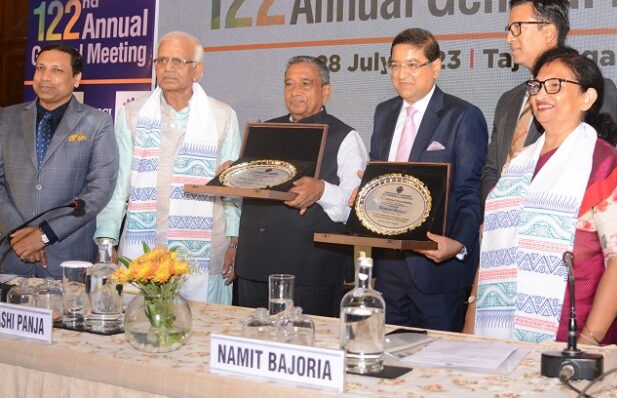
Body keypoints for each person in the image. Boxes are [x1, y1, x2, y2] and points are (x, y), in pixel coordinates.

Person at [466, 47, 617, 351]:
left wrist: (589, 342)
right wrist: (470, 318)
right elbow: (493, 249)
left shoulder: (601, 164)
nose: (541, 93)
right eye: (536, 85)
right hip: (494, 337)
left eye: (555, 85)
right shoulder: (517, 164)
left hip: (569, 339)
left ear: (587, 98)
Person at [95, 31, 241, 304]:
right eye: (161, 61)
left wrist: (234, 242)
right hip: (143, 250)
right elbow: (119, 185)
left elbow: (232, 188)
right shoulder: (132, 115)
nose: (167, 68)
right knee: (142, 330)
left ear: (197, 70)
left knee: (203, 335)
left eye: (177, 61)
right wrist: (107, 240)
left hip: (205, 252)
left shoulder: (222, 116)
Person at [369, 28, 488, 332]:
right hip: (388, 265)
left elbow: (469, 190)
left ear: (436, 68)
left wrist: (458, 243)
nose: (401, 74)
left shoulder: (462, 116)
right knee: (392, 360)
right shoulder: (383, 112)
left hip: (438, 268)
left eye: (412, 64)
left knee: (440, 362)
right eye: (394, 65)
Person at [235, 56, 368, 317]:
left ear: (325, 91)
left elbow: (354, 208)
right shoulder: (265, 131)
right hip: (254, 266)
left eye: (305, 84)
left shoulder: (345, 137)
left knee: (307, 348)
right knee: (252, 347)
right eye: (289, 84)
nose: (295, 91)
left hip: (310, 271)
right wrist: (233, 173)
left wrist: (321, 190)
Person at [482, 0, 617, 201]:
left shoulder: (590, 89)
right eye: (509, 29)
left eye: (517, 28)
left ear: (548, 33)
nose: (509, 37)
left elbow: (590, 166)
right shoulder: (508, 101)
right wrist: (494, 213)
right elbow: (491, 169)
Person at [0, 43, 118, 277]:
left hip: (68, 257)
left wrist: (44, 235)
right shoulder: (7, 118)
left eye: (57, 70)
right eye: (40, 68)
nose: (45, 77)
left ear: (77, 79)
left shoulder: (97, 123)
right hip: (13, 252)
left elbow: (99, 189)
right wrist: (21, 234)